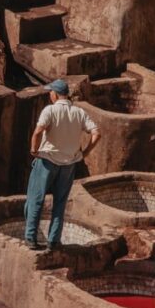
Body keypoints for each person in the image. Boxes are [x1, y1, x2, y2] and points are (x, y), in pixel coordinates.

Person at [24, 79, 101, 251]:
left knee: (35, 200)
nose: (49, 95)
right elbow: (96, 133)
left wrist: (33, 149)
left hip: (47, 160)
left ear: (55, 94)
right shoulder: (79, 112)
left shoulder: (50, 110)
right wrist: (85, 152)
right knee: (60, 203)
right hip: (69, 164)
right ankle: (53, 241)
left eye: (50, 92)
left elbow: (38, 132)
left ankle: (30, 239)